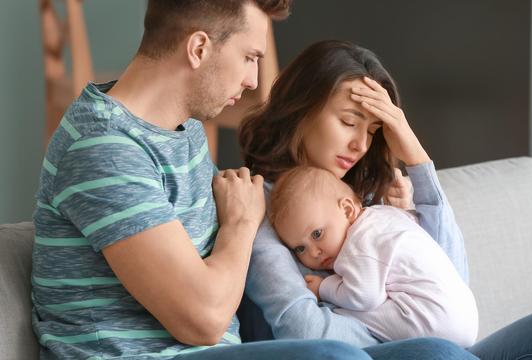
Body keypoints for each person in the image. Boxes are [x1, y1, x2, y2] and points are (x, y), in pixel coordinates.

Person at [31, 1, 386, 359]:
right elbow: (205, 320)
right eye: (249, 57)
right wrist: (240, 224)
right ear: (198, 48)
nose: (253, 81)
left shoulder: (185, 132)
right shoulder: (104, 147)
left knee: (435, 352)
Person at [238, 39, 532, 359]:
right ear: (300, 109)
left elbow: (452, 285)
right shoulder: (259, 206)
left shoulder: (367, 204)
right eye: (349, 121)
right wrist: (413, 335)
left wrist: (418, 162)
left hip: (443, 349)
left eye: (373, 131)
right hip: (381, 352)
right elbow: (305, 330)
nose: (361, 145)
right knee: (437, 352)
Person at [268, 166, 479, 347]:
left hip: (437, 322)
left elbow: (364, 296)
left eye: (317, 234)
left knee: (344, 311)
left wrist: (323, 288)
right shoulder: (384, 216)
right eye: (300, 249)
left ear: (348, 210)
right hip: (465, 315)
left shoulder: (358, 240)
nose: (314, 252)